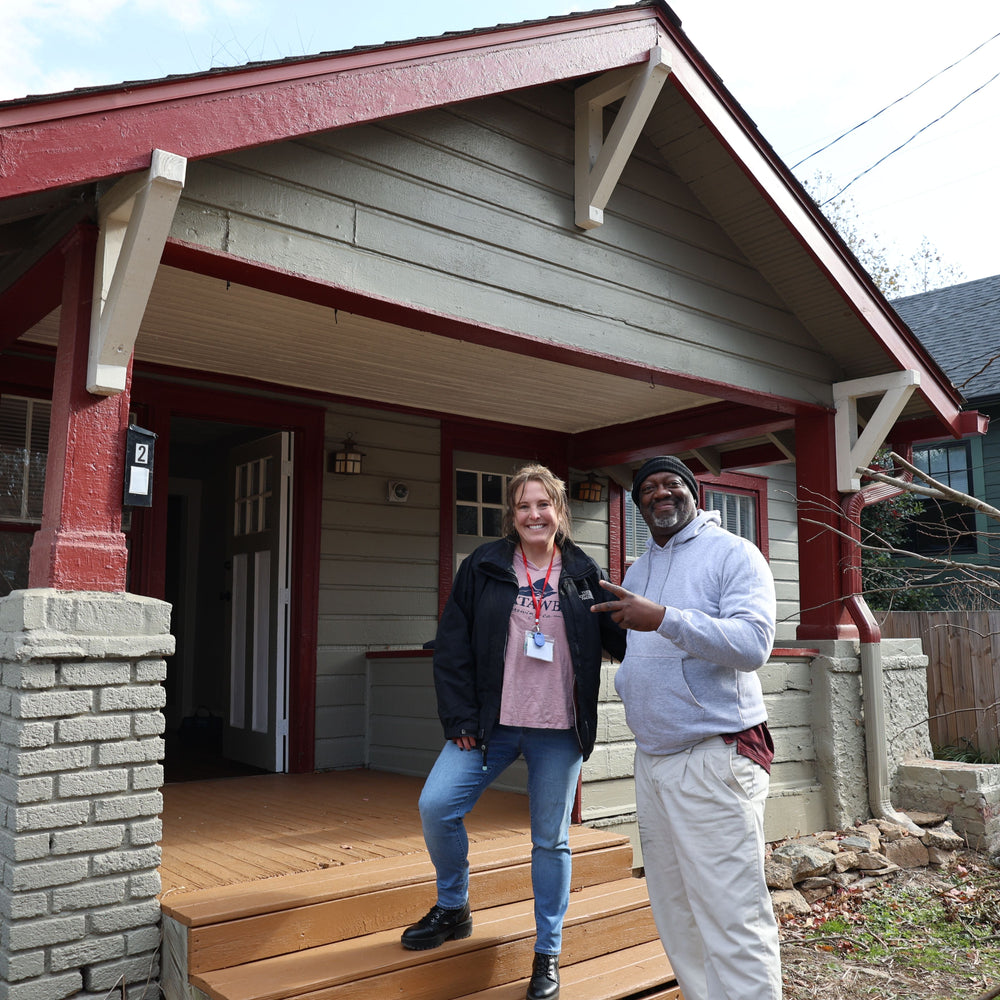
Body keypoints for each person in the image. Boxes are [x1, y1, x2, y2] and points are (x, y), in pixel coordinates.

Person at [401, 463, 626, 1000]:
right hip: (489, 725)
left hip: (559, 731)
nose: (534, 515)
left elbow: (619, 644)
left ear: (560, 512)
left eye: (543, 504)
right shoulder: (484, 565)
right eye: (524, 506)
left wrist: (645, 608)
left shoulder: (582, 572)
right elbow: (452, 644)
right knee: (437, 806)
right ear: (512, 514)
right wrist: (459, 719)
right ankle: (453, 907)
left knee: (550, 840)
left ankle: (547, 954)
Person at [590, 455, 782, 1000]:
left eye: (671, 483)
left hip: (714, 756)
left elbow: (752, 645)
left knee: (731, 912)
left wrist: (666, 619)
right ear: (638, 505)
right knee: (676, 910)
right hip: (653, 760)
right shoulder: (638, 570)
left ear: (694, 493)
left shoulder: (734, 555)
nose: (660, 493)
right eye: (647, 488)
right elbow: (638, 649)